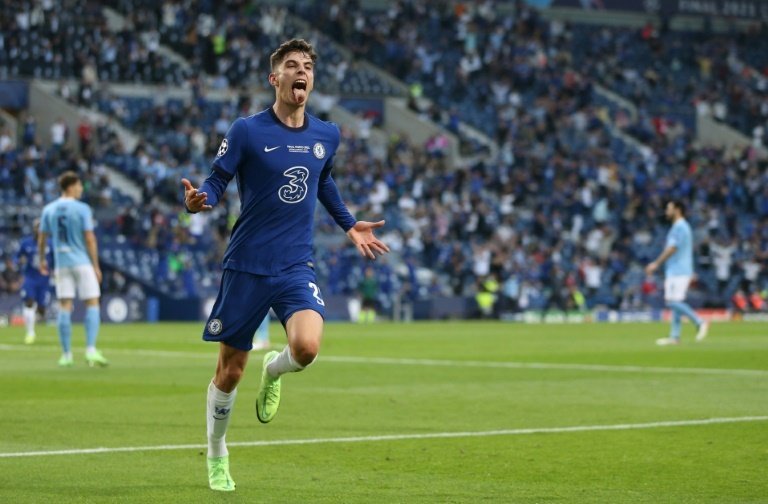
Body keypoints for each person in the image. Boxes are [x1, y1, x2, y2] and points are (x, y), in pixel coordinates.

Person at [181, 38, 390, 493]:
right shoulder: (247, 131)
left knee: (308, 348)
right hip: (247, 265)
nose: (302, 72)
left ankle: (273, 371)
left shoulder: (326, 135)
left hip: (296, 265)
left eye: (309, 66)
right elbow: (217, 179)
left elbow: (324, 181)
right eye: (293, 65)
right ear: (273, 78)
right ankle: (217, 453)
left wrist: (350, 225)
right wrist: (202, 201)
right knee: (229, 370)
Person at [39, 171, 108, 367]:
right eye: (78, 186)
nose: (80, 189)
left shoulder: (49, 209)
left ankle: (66, 355)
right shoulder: (82, 209)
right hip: (81, 261)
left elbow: (42, 238)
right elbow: (89, 238)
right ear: (70, 187)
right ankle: (91, 350)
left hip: (61, 263)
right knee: (93, 303)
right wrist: (95, 265)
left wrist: (42, 259)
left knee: (64, 306)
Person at [645, 199, 709, 345]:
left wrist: (656, 263)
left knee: (672, 301)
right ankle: (675, 336)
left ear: (677, 210)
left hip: (679, 270)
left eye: (669, 208)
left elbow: (672, 248)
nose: (666, 212)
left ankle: (699, 321)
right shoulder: (679, 227)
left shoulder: (680, 227)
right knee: (676, 303)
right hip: (676, 269)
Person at [15, 219, 53, 344]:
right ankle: (30, 333)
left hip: (44, 280)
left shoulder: (51, 244)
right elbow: (17, 256)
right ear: (34, 229)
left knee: (42, 308)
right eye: (37, 227)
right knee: (29, 302)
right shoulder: (26, 243)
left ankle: (35, 317)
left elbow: (55, 260)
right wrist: (18, 262)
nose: (39, 230)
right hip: (30, 277)